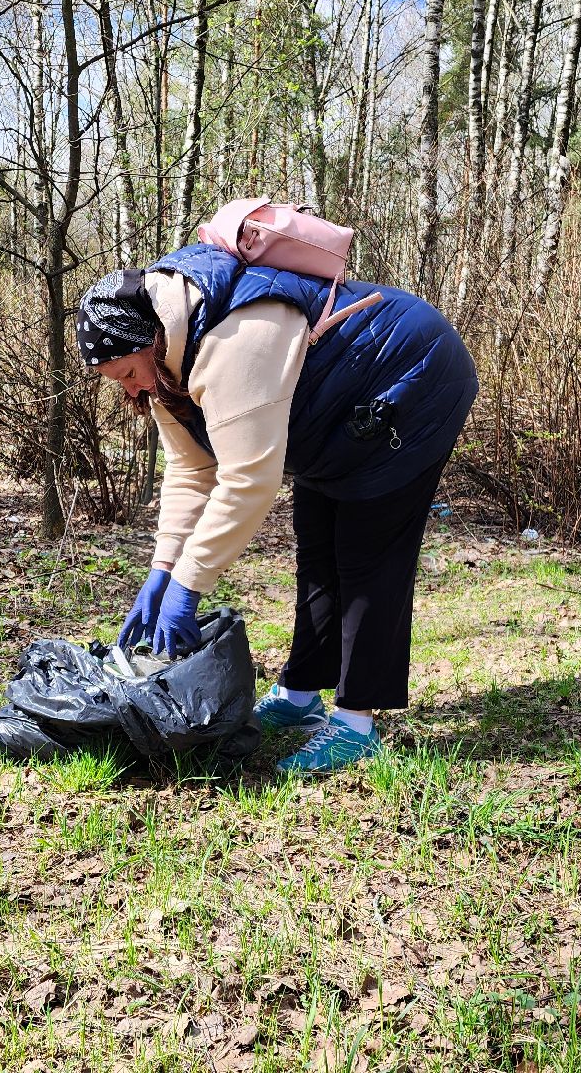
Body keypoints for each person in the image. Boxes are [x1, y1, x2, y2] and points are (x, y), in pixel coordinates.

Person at [77, 240, 477, 773]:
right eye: (119, 382)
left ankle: (357, 723)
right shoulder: (166, 364)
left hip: (410, 379)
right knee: (317, 552)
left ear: (148, 338)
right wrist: (163, 567)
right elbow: (192, 468)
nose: (133, 390)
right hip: (334, 412)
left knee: (367, 559)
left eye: (129, 373)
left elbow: (247, 481)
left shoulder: (234, 338)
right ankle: (300, 694)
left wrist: (189, 586)